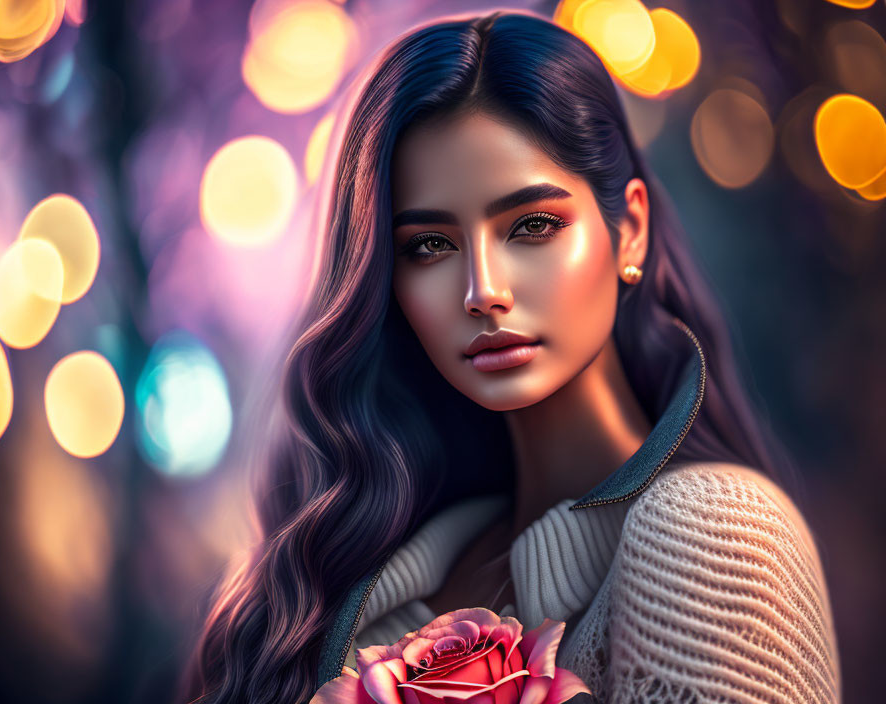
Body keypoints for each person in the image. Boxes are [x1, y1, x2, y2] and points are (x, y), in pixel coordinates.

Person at [180, 10, 840, 704]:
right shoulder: (347, 587)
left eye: (533, 226)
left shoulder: (716, 533)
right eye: (429, 245)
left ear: (631, 232)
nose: (482, 291)